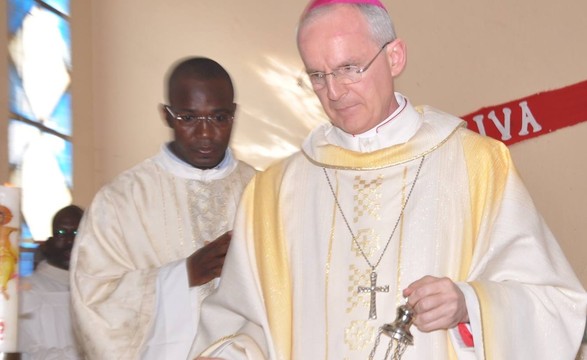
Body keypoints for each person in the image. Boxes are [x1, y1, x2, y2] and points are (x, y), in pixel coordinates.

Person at [189, 1, 587, 359]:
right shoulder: (275, 192)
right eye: (317, 75)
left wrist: (470, 305)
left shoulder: (477, 165)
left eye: (349, 68)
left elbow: (555, 304)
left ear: (395, 57)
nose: (334, 91)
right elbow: (246, 325)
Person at [69, 57, 256, 359]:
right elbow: (92, 303)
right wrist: (182, 276)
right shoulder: (119, 201)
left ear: (233, 115)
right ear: (167, 116)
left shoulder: (260, 193)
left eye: (219, 118)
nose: (205, 134)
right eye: (189, 118)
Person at [19, 204, 84, 360]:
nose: (70, 241)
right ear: (48, 243)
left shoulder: (103, 290)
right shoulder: (26, 291)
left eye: (77, 233)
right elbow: (25, 352)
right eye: (61, 233)